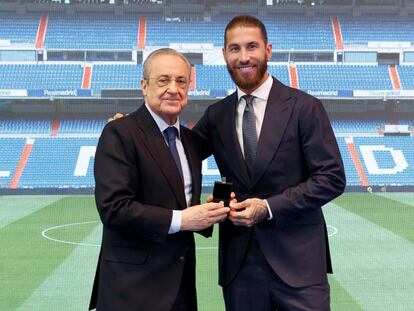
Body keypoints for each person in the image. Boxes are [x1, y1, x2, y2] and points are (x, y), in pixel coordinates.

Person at [193, 15, 346, 311]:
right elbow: (178, 151)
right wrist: (134, 130)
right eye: (234, 48)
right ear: (224, 54)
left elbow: (331, 178)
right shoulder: (217, 115)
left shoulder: (305, 107)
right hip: (240, 267)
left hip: (300, 265)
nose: (244, 57)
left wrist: (268, 207)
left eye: (252, 46)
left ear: (268, 50)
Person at [88, 48, 230, 311]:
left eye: (181, 81)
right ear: (144, 86)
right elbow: (114, 209)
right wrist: (183, 219)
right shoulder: (119, 132)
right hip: (132, 291)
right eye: (163, 80)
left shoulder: (189, 141)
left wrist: (210, 213)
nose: (173, 89)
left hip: (182, 289)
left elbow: (180, 199)